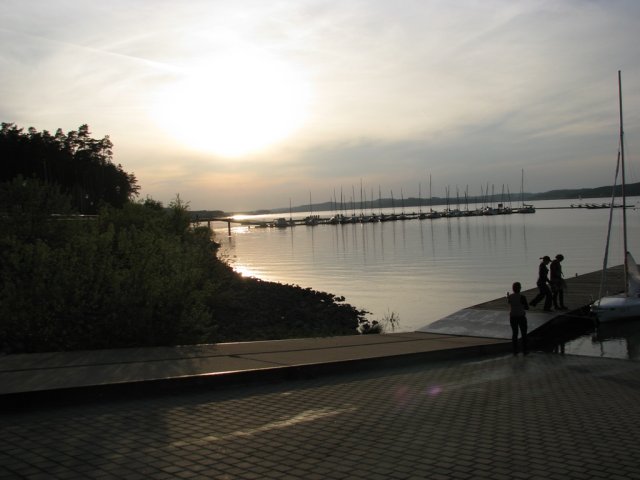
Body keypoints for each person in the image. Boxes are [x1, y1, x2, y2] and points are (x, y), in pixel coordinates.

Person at [507, 282, 529, 355]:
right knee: (524, 333)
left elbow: (510, 302)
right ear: (519, 288)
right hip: (521, 316)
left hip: (513, 316)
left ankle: (515, 350)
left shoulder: (510, 297)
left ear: (513, 289)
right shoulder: (522, 297)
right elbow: (527, 307)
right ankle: (525, 350)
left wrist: (508, 297)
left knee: (515, 333)